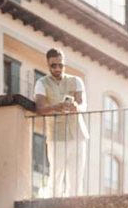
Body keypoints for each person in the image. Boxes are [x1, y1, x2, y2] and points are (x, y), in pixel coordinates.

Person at [34, 48, 89, 196]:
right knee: (56, 176)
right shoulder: (41, 83)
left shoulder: (76, 81)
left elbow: (83, 105)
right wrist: (56, 107)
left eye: (61, 65)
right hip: (56, 136)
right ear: (48, 64)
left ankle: (74, 206)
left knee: (76, 178)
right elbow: (39, 109)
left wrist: (76, 107)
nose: (58, 68)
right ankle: (54, 204)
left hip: (78, 135)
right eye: (54, 65)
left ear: (64, 64)